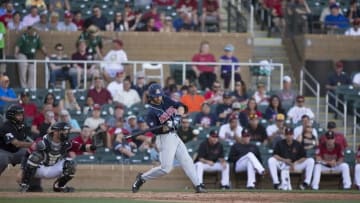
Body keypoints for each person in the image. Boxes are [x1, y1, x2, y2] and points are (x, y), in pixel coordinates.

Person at [131, 83, 207, 193]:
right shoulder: (151, 113)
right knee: (166, 168)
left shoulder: (165, 99)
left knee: (187, 160)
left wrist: (177, 117)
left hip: (174, 135)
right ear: (151, 97)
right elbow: (155, 130)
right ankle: (142, 178)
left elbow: (180, 106)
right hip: (164, 138)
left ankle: (198, 185)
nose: (159, 97)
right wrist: (167, 127)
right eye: (156, 96)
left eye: (160, 95)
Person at [19, 122, 76, 193]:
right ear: (55, 132)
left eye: (66, 131)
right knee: (35, 156)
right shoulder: (42, 141)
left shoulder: (66, 143)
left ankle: (59, 186)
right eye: (63, 131)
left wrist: (92, 147)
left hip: (53, 168)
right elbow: (27, 154)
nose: (66, 133)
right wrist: (21, 170)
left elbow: (81, 147)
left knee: (71, 163)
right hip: (39, 168)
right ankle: (25, 184)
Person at [0, 105, 32, 176]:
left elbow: (23, 141)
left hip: (17, 151)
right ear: (11, 116)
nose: (21, 117)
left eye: (22, 114)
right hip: (4, 151)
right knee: (2, 160)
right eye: (18, 115)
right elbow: (16, 143)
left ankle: (27, 181)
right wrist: (33, 144)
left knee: (32, 156)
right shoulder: (6, 127)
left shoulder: (21, 126)